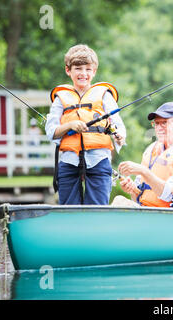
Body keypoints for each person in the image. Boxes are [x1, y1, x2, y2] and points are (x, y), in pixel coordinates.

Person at [45, 44, 126, 205]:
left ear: (94, 71)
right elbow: (51, 131)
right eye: (78, 68)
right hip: (69, 160)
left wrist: (119, 136)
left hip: (99, 159)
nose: (83, 73)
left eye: (88, 69)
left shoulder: (104, 95)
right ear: (68, 70)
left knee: (97, 208)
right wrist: (70, 125)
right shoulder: (60, 99)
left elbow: (118, 124)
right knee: (69, 210)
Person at [111, 101, 173, 207]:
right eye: (156, 123)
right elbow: (137, 199)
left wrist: (143, 171)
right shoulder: (151, 149)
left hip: (171, 215)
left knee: (119, 202)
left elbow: (170, 194)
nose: (159, 127)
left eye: (164, 123)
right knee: (119, 200)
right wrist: (132, 190)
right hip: (147, 212)